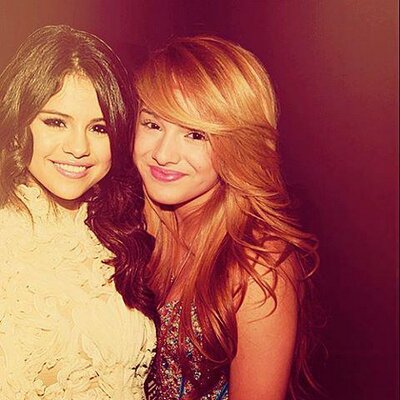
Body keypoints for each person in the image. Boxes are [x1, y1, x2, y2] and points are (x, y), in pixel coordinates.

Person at [132, 36, 319, 400]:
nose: (163, 154)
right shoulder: (132, 225)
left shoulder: (258, 266)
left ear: (238, 145)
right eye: (153, 124)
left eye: (195, 134)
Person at [0, 25, 156, 399]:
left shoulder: (127, 227)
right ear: (19, 124)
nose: (78, 147)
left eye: (99, 128)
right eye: (56, 122)